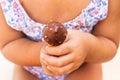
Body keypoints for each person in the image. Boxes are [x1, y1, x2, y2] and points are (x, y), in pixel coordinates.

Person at [0, 0, 119, 80]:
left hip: (82, 67)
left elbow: (109, 42)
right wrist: (44, 55)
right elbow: (9, 44)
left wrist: (87, 47)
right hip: (30, 70)